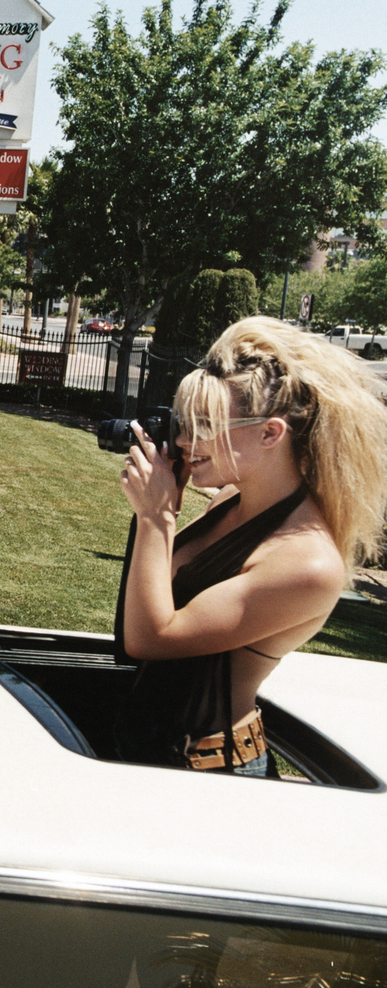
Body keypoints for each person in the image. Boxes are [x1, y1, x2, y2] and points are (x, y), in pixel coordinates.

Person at [113, 318, 387, 772]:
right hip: (143, 742)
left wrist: (156, 518)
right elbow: (140, 614)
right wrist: (158, 513)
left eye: (206, 425)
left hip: (208, 768)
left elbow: (149, 639)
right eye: (186, 422)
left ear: (270, 433)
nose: (183, 440)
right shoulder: (229, 499)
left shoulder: (309, 563)